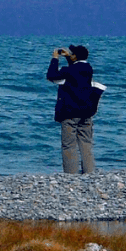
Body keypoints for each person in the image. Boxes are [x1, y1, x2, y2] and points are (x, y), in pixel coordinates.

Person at [46, 44, 103, 174]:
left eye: (72, 53)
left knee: (69, 144)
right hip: (87, 111)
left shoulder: (69, 70)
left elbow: (51, 75)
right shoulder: (88, 69)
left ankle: (71, 174)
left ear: (75, 56)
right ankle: (89, 171)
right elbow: (75, 69)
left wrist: (55, 59)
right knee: (86, 142)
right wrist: (69, 58)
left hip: (71, 112)